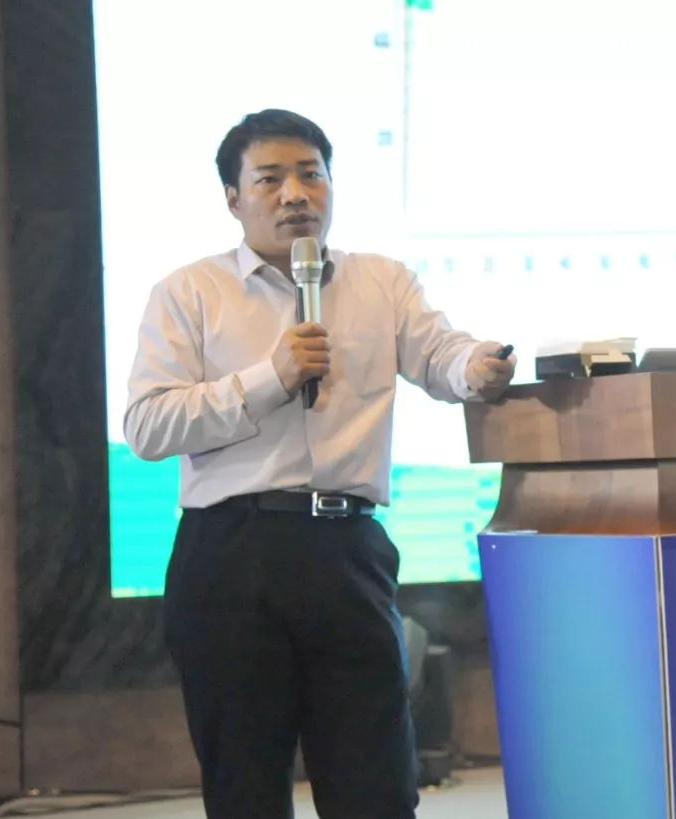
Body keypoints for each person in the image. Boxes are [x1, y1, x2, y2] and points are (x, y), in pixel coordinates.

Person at [124, 108, 516, 819]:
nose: (295, 194)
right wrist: (269, 378)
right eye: (270, 179)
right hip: (231, 554)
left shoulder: (381, 281)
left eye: (311, 174)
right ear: (233, 199)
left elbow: (441, 355)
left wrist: (477, 367)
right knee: (245, 787)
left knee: (377, 786)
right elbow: (148, 426)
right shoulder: (189, 292)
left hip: (346, 549)